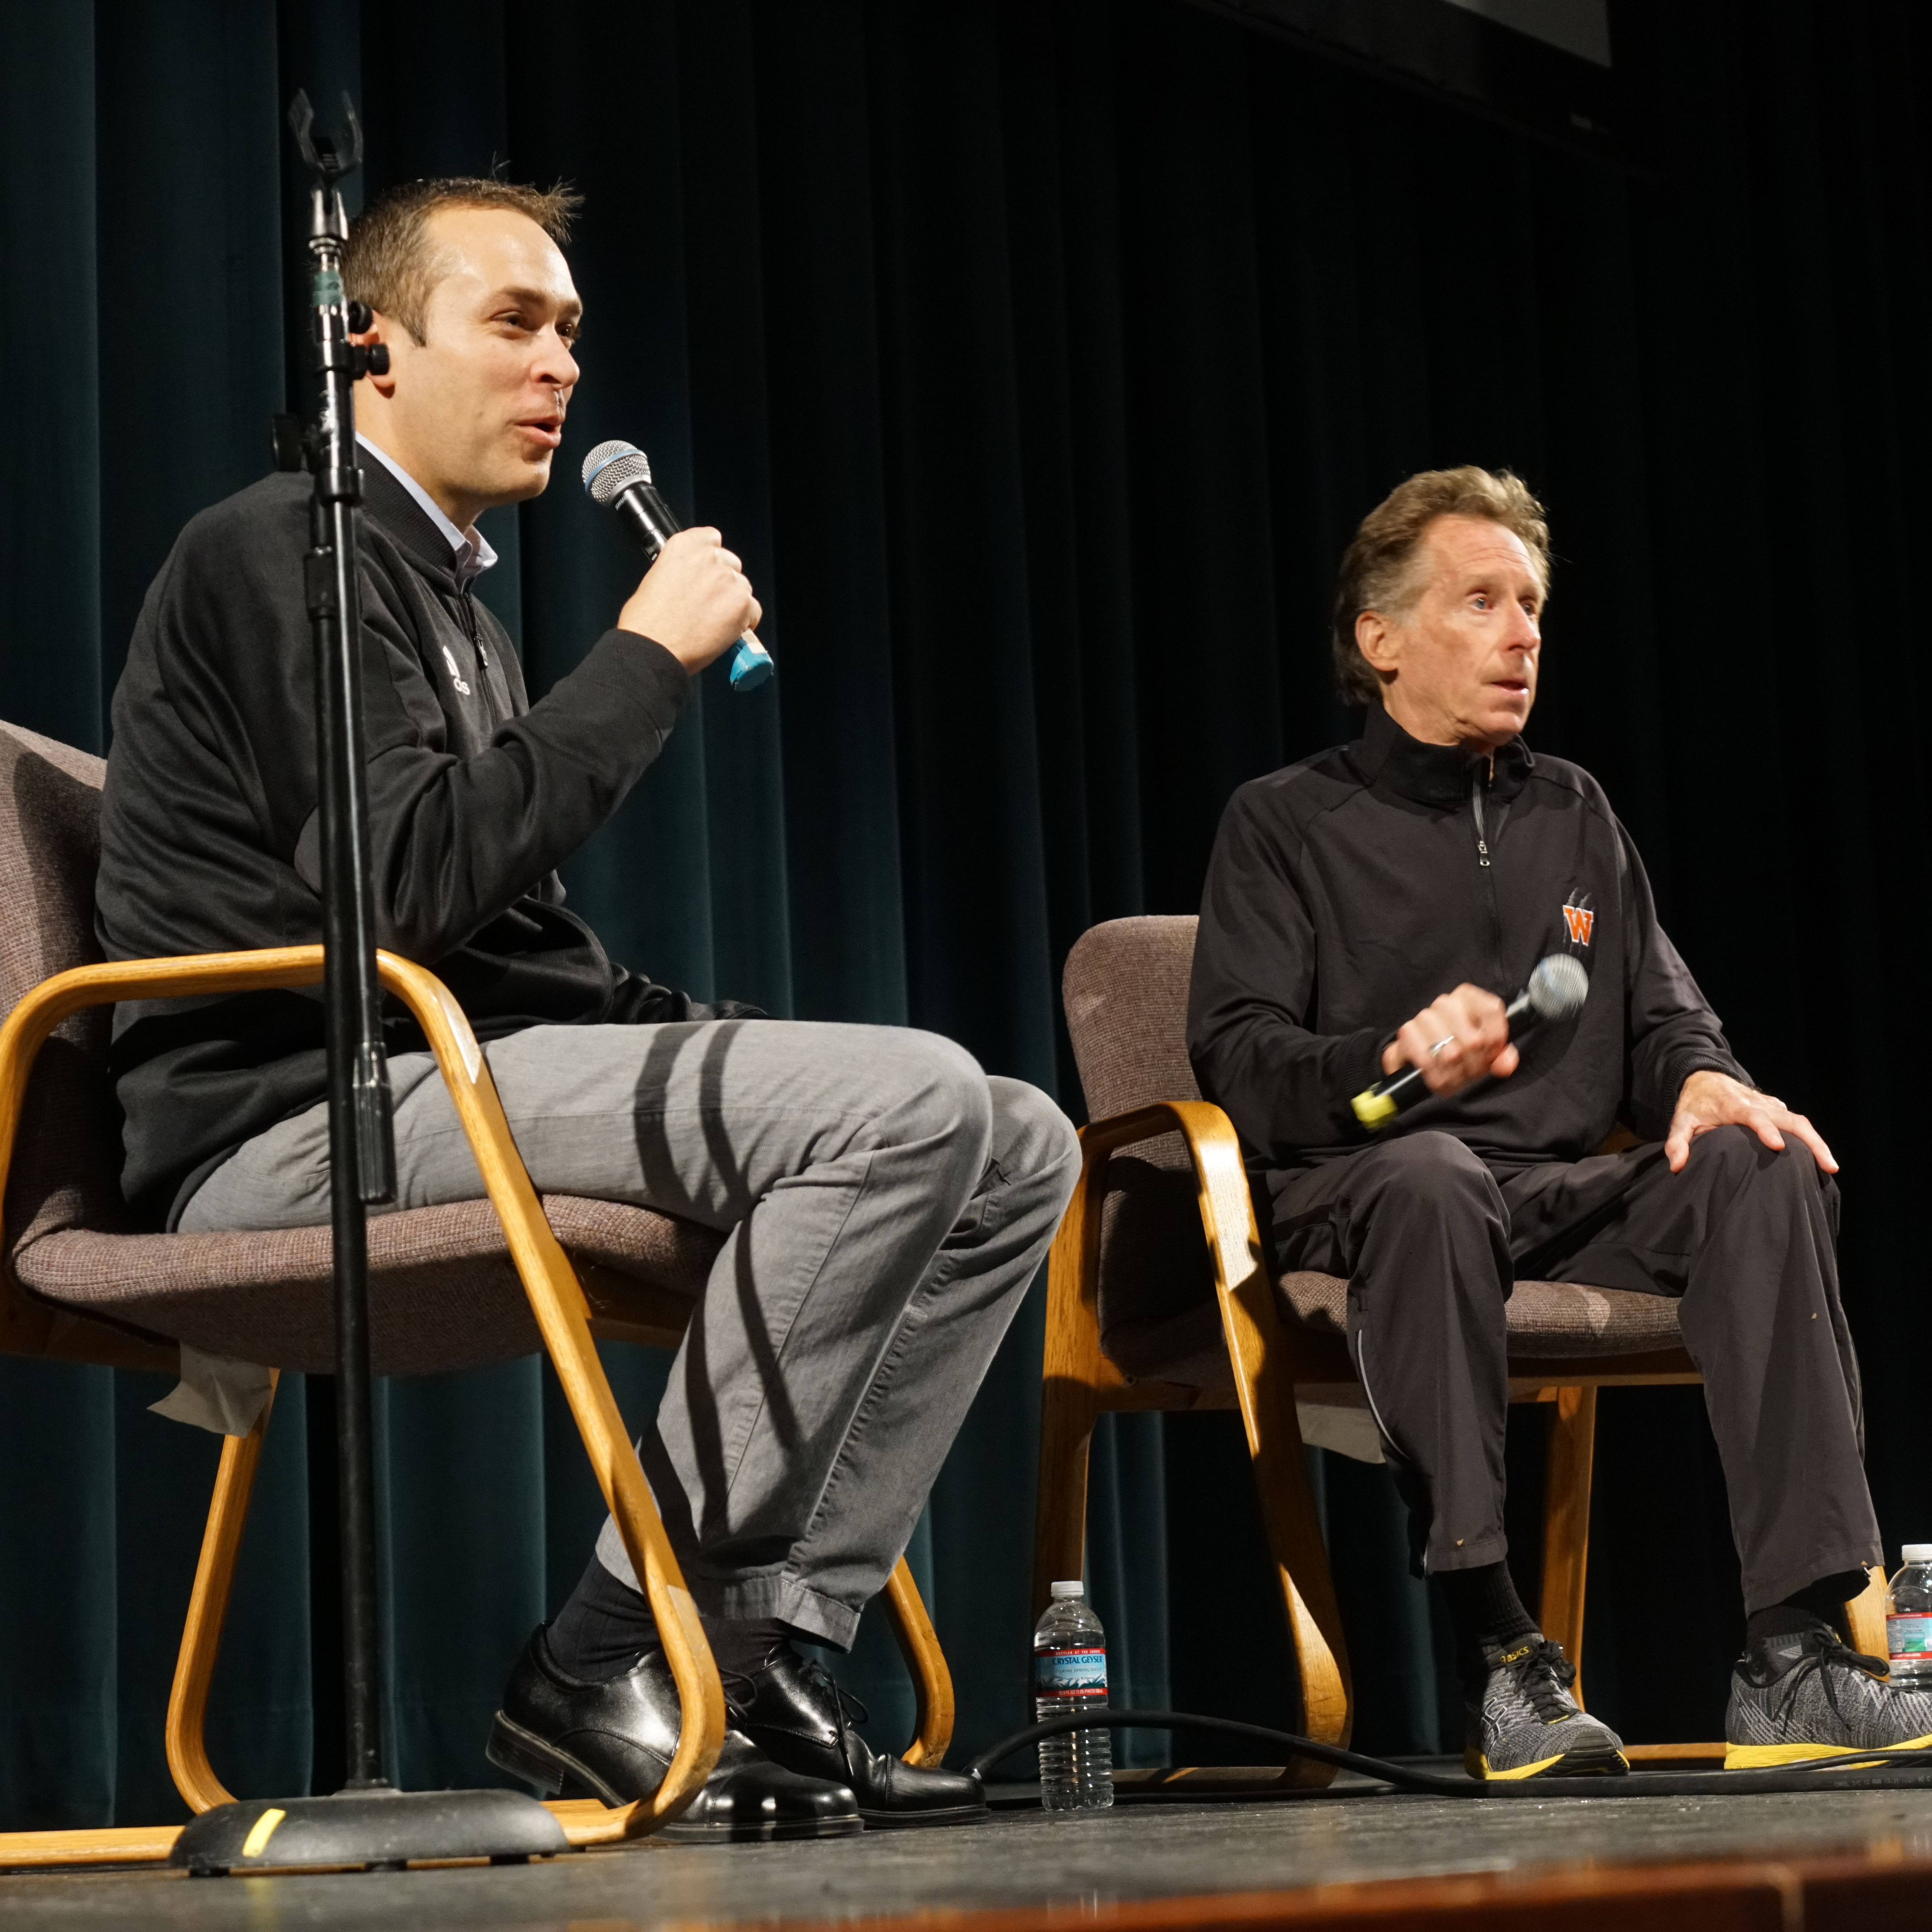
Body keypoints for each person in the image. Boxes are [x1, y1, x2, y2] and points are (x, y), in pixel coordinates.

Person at [95, 176, 1079, 1838]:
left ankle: (770, 1648)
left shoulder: (451, 608)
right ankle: (604, 1649)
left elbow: (508, 940)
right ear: (372, 348)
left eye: (570, 333)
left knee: (1017, 1139)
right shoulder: (286, 551)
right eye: (513, 324)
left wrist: (704, 1025)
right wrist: (640, 659)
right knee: (913, 1101)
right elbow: (399, 888)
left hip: (441, 1071)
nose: (560, 368)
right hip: (290, 1123)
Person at [1186, 466, 1927, 1780]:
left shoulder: (1573, 811)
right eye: (1482, 601)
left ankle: (1795, 1654)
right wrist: (1394, 1065)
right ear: (1381, 640)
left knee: (1758, 1161)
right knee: (1428, 1177)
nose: (1524, 633)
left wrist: (1701, 1078)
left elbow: (1661, 1018)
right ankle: (1501, 1656)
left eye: (1531, 604)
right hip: (1366, 1189)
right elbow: (1241, 1061)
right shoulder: (1285, 822)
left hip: (1549, 1198)